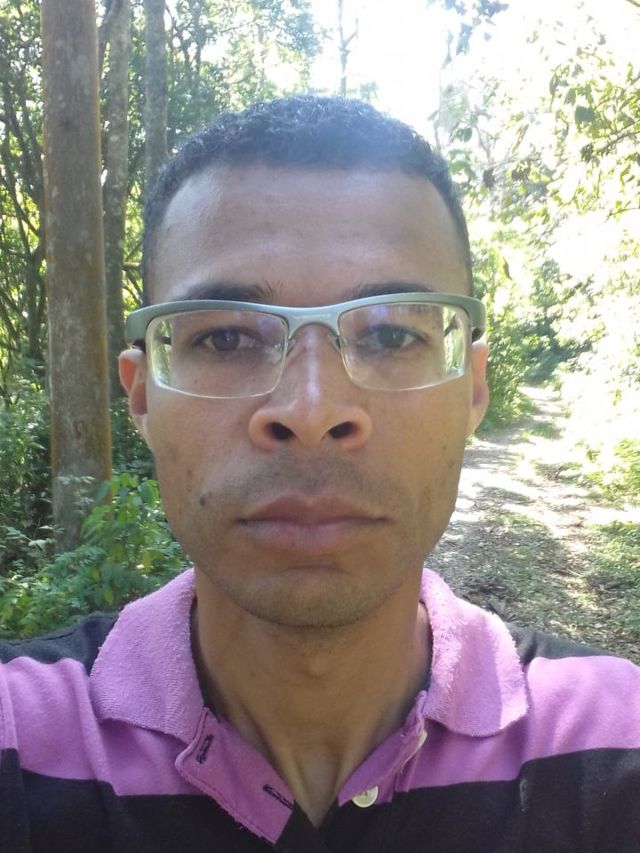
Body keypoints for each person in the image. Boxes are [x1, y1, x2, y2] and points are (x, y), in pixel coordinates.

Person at [1, 96, 639, 853]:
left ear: (473, 390)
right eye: (227, 337)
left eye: (392, 334)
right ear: (143, 397)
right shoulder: (21, 738)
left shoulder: (611, 741)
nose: (311, 411)